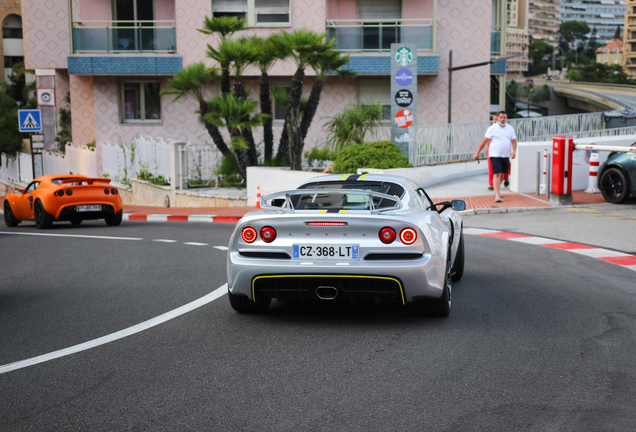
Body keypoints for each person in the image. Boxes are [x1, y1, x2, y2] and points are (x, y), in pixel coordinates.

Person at [473, 111, 517, 203]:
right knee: (496, 174)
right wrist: (477, 152)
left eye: (504, 117)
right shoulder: (492, 128)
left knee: (502, 174)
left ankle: (497, 190)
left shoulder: (510, 128)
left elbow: (514, 141)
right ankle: (497, 195)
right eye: (501, 117)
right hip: (494, 155)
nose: (503, 119)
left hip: (505, 155)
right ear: (498, 118)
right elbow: (484, 141)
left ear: (506, 118)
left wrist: (513, 151)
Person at [487, 115, 510, 191]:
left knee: (504, 169)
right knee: (492, 169)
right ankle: (492, 185)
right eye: (493, 119)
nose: (495, 121)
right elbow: (487, 140)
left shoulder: (506, 129)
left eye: (496, 119)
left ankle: (506, 178)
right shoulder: (492, 128)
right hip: (493, 153)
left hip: (503, 153)